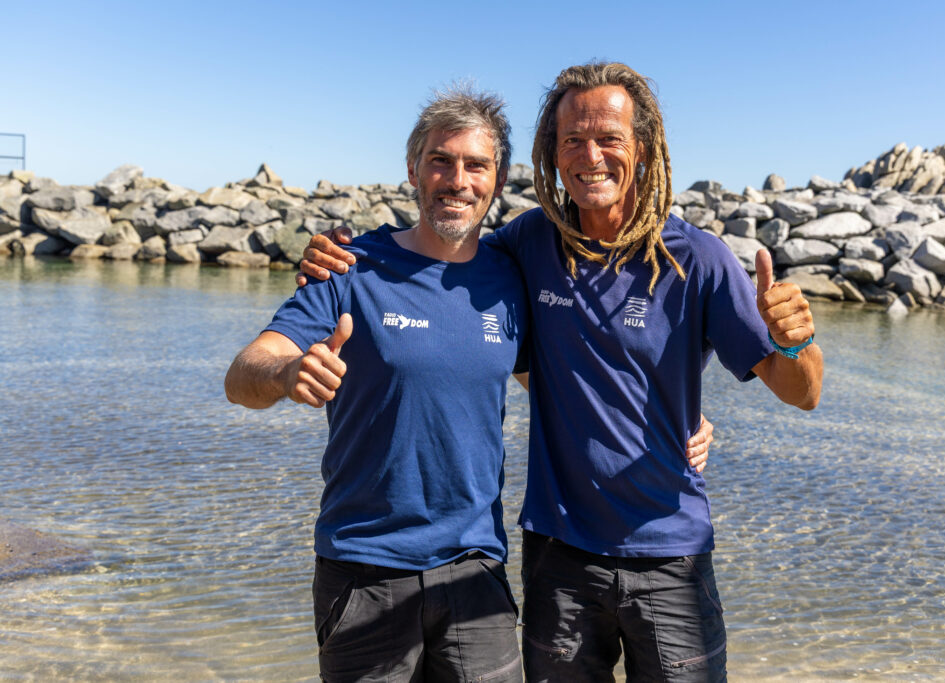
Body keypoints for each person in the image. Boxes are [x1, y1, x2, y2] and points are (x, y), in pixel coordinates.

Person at [298, 62, 821, 682]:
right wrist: (346, 254)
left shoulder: (698, 259)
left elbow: (802, 393)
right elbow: (444, 262)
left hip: (669, 553)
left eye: (609, 138)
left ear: (643, 148)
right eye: (573, 139)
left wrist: (795, 344)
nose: (590, 156)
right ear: (551, 153)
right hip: (559, 556)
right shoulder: (528, 244)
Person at [224, 86, 530, 682]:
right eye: (440, 160)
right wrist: (286, 373)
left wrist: (678, 420)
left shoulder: (511, 279)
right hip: (363, 568)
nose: (458, 180)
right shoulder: (349, 268)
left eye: (476, 165)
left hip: (476, 568)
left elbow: (560, 386)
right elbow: (242, 376)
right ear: (413, 170)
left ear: (497, 180)